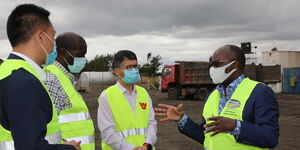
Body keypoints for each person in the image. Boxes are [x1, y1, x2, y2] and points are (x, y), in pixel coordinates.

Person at [155, 45, 279, 150]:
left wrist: (235, 126)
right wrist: (182, 119)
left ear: (235, 65)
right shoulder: (212, 95)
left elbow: (270, 137)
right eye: (211, 64)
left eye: (216, 64)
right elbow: (207, 135)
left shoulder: (259, 92)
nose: (212, 69)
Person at [0, 4, 80, 150]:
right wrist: (70, 149)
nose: (54, 43)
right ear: (41, 37)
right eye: (53, 36)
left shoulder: (5, 72)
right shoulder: (26, 84)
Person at [43, 32, 95, 150]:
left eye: (84, 55)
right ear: (62, 52)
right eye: (79, 55)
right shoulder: (51, 79)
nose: (82, 60)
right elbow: (46, 126)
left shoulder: (67, 78)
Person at [97, 50, 157, 150]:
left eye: (136, 66)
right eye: (129, 67)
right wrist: (132, 148)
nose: (134, 70)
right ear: (117, 71)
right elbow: (107, 133)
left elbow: (151, 123)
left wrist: (147, 144)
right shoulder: (106, 96)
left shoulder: (143, 93)